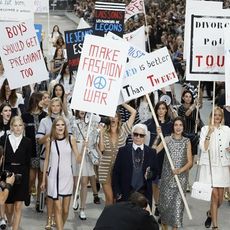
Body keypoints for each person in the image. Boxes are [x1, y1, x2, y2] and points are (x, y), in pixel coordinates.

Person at [41, 116, 81, 230]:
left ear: (65, 127)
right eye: (58, 125)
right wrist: (43, 179)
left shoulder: (71, 139)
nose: (60, 127)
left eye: (62, 125)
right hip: (53, 177)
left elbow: (78, 158)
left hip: (67, 176)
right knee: (57, 208)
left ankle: (60, 227)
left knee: (65, 210)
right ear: (54, 127)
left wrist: (84, 148)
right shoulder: (50, 141)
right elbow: (47, 160)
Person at [155, 117, 192, 230]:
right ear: (173, 126)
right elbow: (154, 151)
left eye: (180, 125)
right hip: (167, 178)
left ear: (183, 127)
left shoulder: (187, 141)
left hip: (181, 179)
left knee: (177, 210)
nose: (178, 127)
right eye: (176, 125)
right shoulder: (167, 139)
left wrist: (180, 170)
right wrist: (158, 136)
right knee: (165, 209)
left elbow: (190, 162)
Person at [98, 103, 136, 205]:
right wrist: (101, 133)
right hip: (105, 169)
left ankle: (112, 220)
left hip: (119, 169)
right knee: (109, 198)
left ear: (118, 119)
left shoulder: (123, 130)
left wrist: (122, 102)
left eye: (115, 116)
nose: (113, 118)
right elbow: (101, 148)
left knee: (116, 199)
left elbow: (134, 112)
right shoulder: (104, 133)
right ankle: (106, 220)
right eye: (111, 116)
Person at [112, 124, 158, 207]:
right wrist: (117, 192)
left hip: (144, 193)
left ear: (145, 137)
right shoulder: (123, 151)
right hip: (125, 192)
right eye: (136, 134)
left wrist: (150, 174)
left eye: (141, 135)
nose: (138, 137)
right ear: (132, 135)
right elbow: (116, 173)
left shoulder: (151, 152)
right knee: (126, 219)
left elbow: (155, 172)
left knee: (142, 219)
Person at [199, 107, 230, 230]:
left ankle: (210, 213)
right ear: (211, 116)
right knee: (215, 197)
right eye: (215, 115)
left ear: (222, 117)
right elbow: (203, 148)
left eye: (219, 115)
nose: (217, 117)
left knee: (221, 200)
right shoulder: (205, 129)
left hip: (222, 167)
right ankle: (215, 227)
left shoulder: (227, 129)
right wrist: (209, 133)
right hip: (210, 167)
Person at [0, 116, 31, 230]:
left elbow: (28, 163)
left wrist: (28, 182)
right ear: (11, 127)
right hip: (7, 175)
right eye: (15, 125)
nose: (18, 128)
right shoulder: (4, 139)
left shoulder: (27, 142)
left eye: (20, 125)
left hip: (22, 175)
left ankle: (15, 228)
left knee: (18, 206)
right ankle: (10, 221)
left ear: (23, 127)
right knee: (8, 207)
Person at [145, 101, 173, 216]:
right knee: (155, 184)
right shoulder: (149, 124)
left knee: (165, 185)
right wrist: (157, 135)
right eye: (159, 109)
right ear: (155, 110)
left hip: (166, 158)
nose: (161, 111)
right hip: (154, 158)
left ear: (166, 110)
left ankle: (164, 207)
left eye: (163, 108)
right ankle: (157, 206)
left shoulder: (170, 124)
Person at [72, 111, 101, 220]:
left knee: (84, 182)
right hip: (76, 152)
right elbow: (71, 138)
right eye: (80, 109)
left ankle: (82, 209)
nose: (82, 111)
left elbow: (95, 141)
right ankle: (76, 198)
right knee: (76, 182)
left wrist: (89, 144)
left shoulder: (93, 123)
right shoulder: (73, 122)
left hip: (87, 151)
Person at [21, 92, 47, 212]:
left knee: (42, 179)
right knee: (31, 178)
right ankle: (27, 193)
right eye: (41, 99)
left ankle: (39, 202)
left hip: (43, 151)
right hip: (30, 151)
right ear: (35, 100)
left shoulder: (45, 116)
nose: (43, 101)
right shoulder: (25, 116)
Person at [94, 192, 159, 230]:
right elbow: (155, 228)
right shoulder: (141, 214)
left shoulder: (110, 207)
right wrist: (149, 212)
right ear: (143, 207)